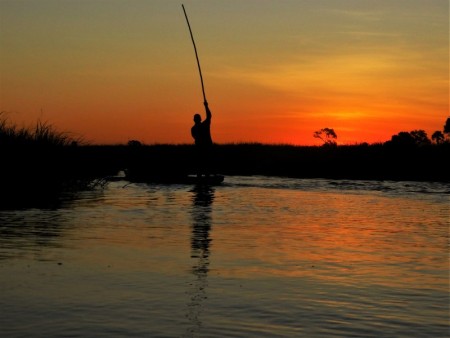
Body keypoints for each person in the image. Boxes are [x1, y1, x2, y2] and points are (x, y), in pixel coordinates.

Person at [191, 101, 213, 177]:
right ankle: (202, 177)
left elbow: (209, 116)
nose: (196, 120)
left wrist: (206, 106)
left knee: (204, 163)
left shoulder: (204, 125)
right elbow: (195, 137)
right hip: (201, 148)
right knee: (201, 163)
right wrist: (206, 106)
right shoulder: (195, 128)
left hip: (205, 147)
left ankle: (205, 176)